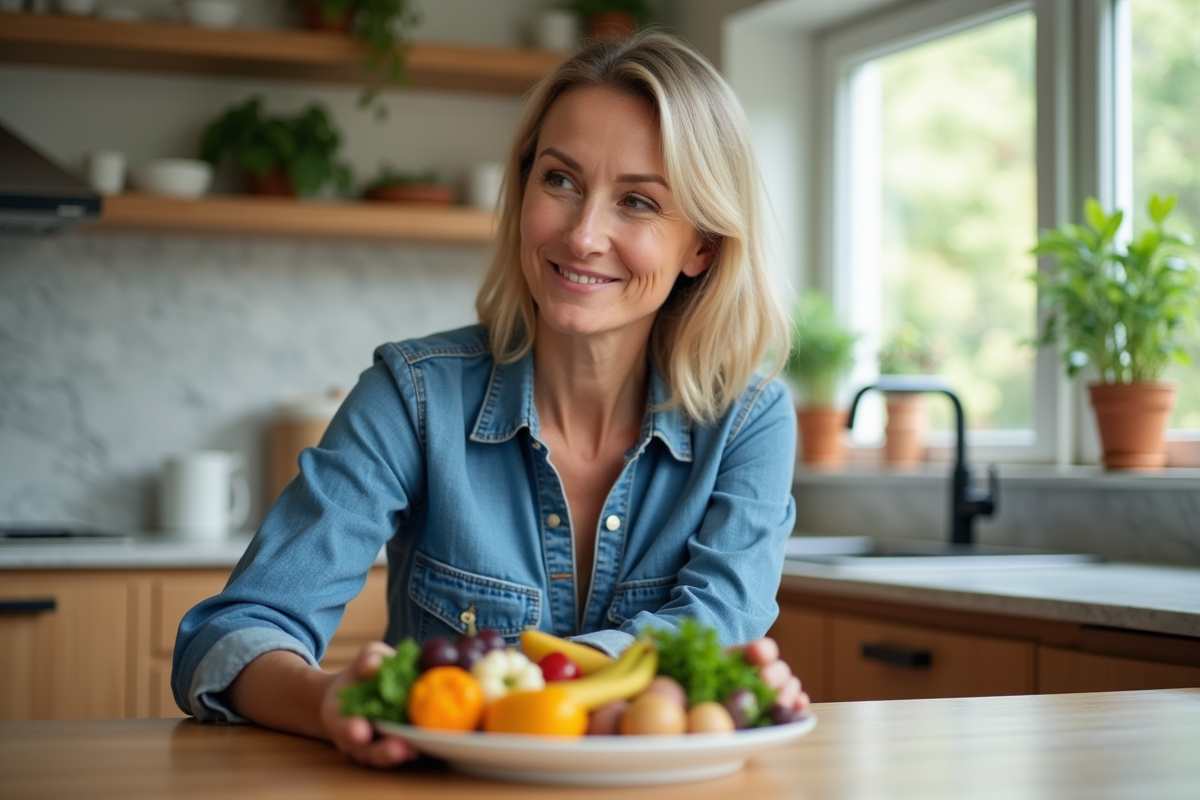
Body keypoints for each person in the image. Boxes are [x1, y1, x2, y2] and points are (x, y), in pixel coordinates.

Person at [172, 31, 800, 767]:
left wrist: (501, 690)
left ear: (701, 247)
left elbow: (717, 627)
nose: (584, 233)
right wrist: (327, 700)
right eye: (560, 180)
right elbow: (231, 634)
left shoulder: (749, 422)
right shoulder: (412, 396)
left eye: (636, 201)